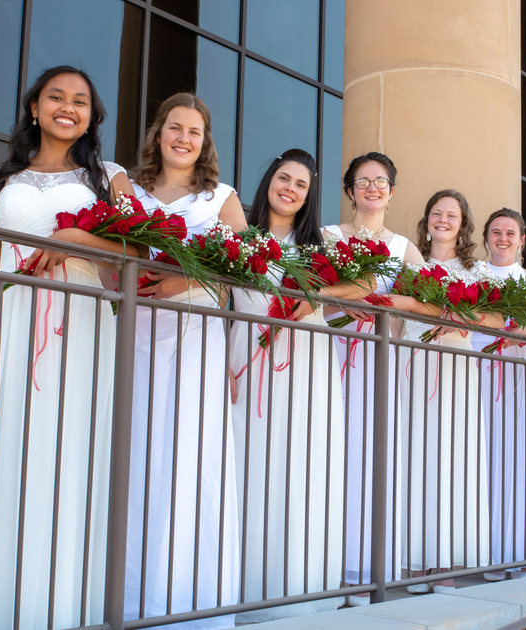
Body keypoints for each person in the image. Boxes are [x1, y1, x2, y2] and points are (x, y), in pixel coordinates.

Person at [0, 66, 138, 630]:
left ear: (92, 116)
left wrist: (76, 240)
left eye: (81, 101)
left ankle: (61, 604)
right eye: (56, 97)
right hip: (7, 320)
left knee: (68, 450)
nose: (68, 107)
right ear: (35, 107)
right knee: (1, 447)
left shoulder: (110, 178)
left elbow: (139, 254)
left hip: (81, 324)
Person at [228, 149, 366, 621]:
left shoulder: (319, 247)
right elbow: (221, 299)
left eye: (301, 184)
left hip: (307, 361)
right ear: (268, 180)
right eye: (284, 178)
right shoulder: (241, 236)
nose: (290, 188)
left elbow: (362, 289)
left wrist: (317, 294)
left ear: (309, 196)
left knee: (302, 464)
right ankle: (244, 583)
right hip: (246, 354)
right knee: (248, 462)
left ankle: (301, 581)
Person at [124, 93, 244, 628]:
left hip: (196, 329)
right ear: (159, 133)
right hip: (134, 326)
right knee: (135, 448)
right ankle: (127, 592)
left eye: (194, 132)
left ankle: (186, 594)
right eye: (175, 128)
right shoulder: (128, 189)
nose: (183, 139)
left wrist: (184, 278)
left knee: (190, 453)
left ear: (205, 141)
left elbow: (242, 268)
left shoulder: (221, 197)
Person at [385, 190, 501, 592]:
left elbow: (491, 317)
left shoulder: (477, 271)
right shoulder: (410, 262)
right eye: (437, 212)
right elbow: (398, 317)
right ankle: (417, 559)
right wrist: (391, 353)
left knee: (451, 455)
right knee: (415, 453)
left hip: (455, 365)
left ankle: (445, 559)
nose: (443, 220)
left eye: (452, 215)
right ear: (427, 218)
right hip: (413, 363)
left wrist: (467, 322)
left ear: (463, 223)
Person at [324, 152, 423, 605]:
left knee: (372, 454)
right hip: (331, 354)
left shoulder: (403, 248)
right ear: (349, 191)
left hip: (380, 361)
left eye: (381, 180)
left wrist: (390, 319)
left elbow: (425, 303)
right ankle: (327, 563)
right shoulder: (326, 237)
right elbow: (311, 296)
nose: (372, 187)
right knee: (331, 453)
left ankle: (367, 565)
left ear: (392, 191)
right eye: (362, 181)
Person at [473, 208, 526, 581]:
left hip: (517, 375)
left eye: (511, 233)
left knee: (514, 461)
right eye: (496, 232)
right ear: (486, 237)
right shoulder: (472, 274)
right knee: (481, 459)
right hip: (476, 371)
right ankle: (487, 553)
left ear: (522, 240)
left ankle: (515, 549)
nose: (503, 238)